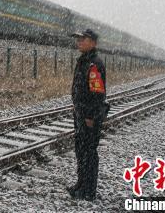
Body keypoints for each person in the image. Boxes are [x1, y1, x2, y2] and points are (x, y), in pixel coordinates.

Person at [67, 29, 107, 201]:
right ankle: (81, 185)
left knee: (89, 153)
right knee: (80, 150)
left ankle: (89, 191)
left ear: (93, 42)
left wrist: (90, 116)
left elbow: (97, 94)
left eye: (83, 39)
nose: (79, 42)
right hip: (81, 114)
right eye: (78, 39)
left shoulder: (94, 64)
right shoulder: (84, 61)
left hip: (89, 117)